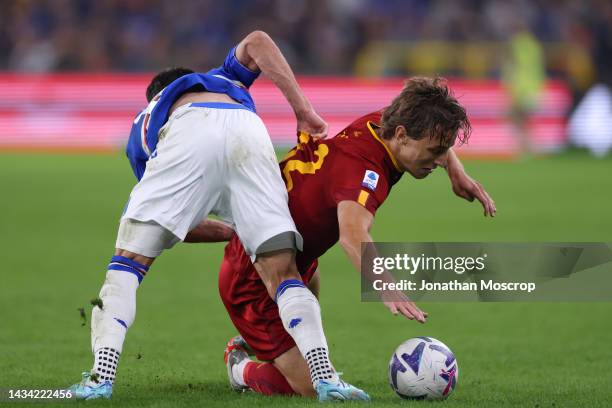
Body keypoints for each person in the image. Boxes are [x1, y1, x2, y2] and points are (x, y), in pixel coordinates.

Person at [69, 30, 368, 402]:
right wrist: (302, 110)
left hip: (187, 129)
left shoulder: (145, 122)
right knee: (283, 273)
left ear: (157, 96)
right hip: (249, 131)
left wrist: (226, 232)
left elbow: (177, 223)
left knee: (127, 266)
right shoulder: (223, 78)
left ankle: (100, 378)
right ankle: (326, 378)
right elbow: (258, 40)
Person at [220, 77, 496, 400]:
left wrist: (455, 169)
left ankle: (272, 343)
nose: (439, 158)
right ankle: (240, 368)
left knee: (309, 296)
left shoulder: (388, 123)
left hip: (292, 257)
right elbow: (352, 236)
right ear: (403, 136)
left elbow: (430, 134)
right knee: (308, 388)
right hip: (253, 276)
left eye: (444, 150)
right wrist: (386, 284)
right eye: (435, 152)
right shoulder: (365, 171)